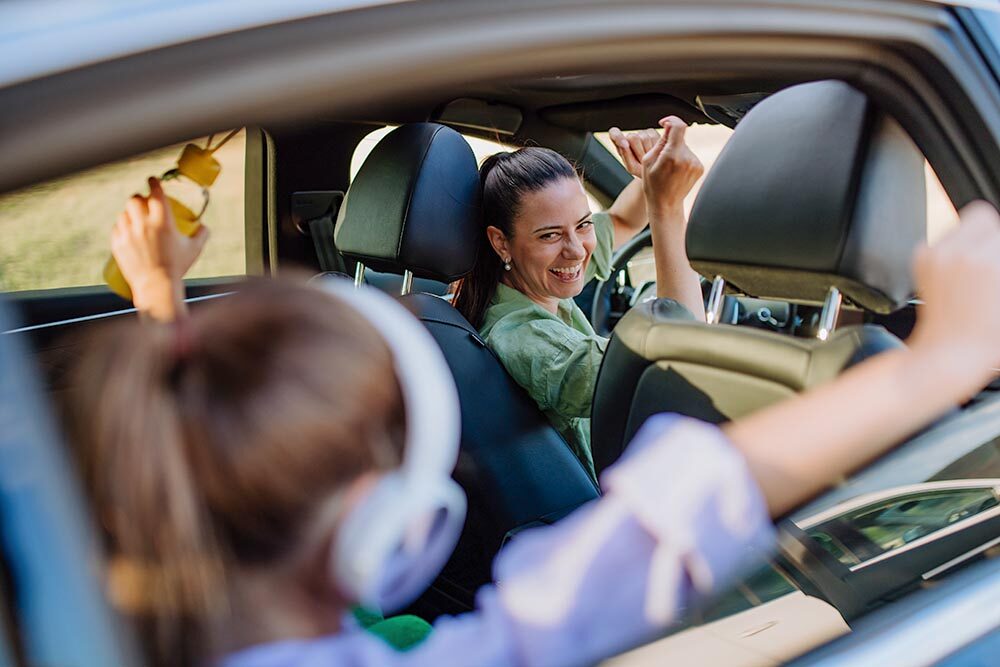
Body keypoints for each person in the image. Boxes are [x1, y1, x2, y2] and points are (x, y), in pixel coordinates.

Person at [72, 178, 1000, 667]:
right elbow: (662, 513)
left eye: (584, 229)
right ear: (383, 528)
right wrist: (944, 361)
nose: (576, 250)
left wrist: (161, 293)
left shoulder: (104, 609)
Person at [453, 118, 705, 479]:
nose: (576, 251)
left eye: (583, 224)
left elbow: (621, 220)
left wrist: (649, 176)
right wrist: (668, 208)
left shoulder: (520, 287)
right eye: (549, 236)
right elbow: (683, 365)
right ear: (500, 242)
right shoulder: (524, 338)